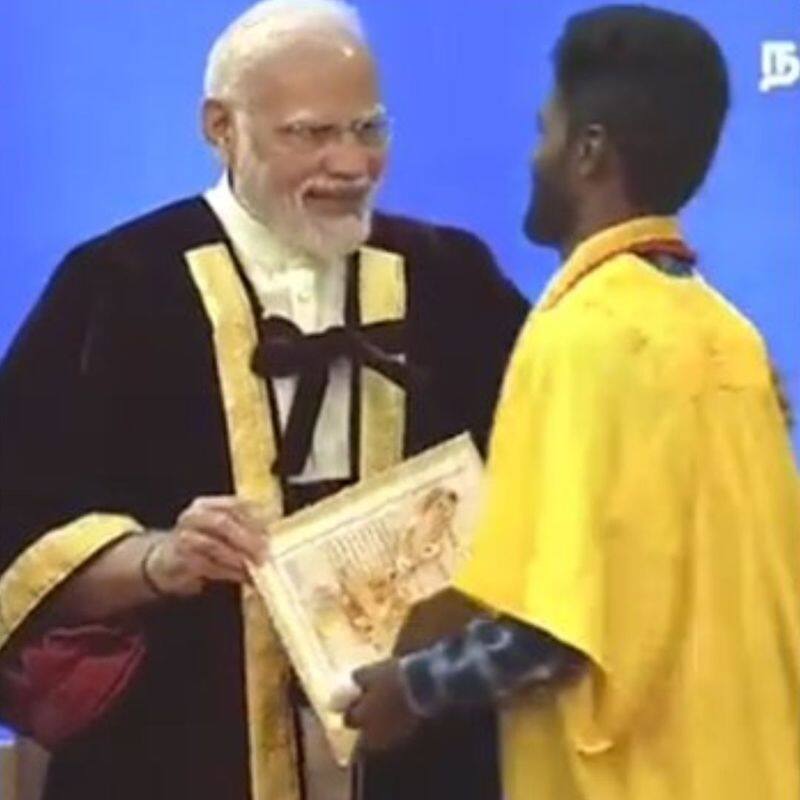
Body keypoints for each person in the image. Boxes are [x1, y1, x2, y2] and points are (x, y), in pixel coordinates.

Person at [0, 1, 528, 799]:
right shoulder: (118, 284)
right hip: (177, 747)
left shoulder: (451, 275)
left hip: (423, 752)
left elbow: (551, 466)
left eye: (369, 129)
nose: (351, 164)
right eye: (310, 134)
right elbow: (19, 516)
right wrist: (157, 559)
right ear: (220, 126)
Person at [345, 6, 800, 800]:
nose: (534, 153)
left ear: (588, 151)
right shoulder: (733, 339)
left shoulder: (582, 333)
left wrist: (408, 688)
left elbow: (550, 632)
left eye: (543, 129)